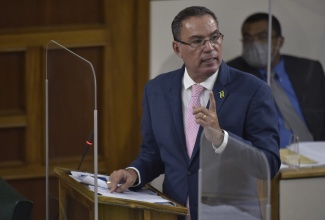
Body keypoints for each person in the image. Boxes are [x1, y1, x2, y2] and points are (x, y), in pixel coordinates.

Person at [108, 6, 280, 220]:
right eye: (197, 41)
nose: (210, 48)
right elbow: (153, 154)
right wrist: (134, 173)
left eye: (215, 37)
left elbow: (269, 164)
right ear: (177, 48)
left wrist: (221, 139)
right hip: (176, 213)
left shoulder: (252, 90)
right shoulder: (157, 90)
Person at [227, 12, 325, 148]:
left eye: (262, 37)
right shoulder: (232, 74)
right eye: (248, 38)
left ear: (280, 41)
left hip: (318, 154)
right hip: (268, 159)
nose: (254, 43)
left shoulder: (309, 69)